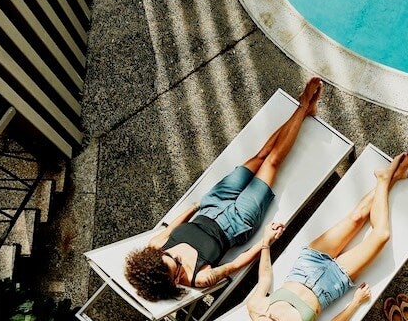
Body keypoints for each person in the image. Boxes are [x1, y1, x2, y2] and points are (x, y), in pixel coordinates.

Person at [124, 78, 324, 301]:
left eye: (172, 258)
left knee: (261, 155)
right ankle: (304, 105)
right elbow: (236, 264)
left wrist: (196, 206)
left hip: (212, 204)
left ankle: (304, 110)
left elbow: (172, 227)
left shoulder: (156, 246)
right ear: (173, 281)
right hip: (238, 222)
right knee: (272, 162)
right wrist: (266, 241)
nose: (178, 259)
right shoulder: (199, 278)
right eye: (178, 267)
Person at [242, 149, 408, 321]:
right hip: (334, 281)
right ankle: (386, 178)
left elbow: (264, 278)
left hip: (308, 264)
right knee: (381, 235)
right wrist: (355, 302)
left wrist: (265, 243)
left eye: (268, 316)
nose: (274, 316)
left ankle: (391, 178)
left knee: (356, 217)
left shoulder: (255, 307)